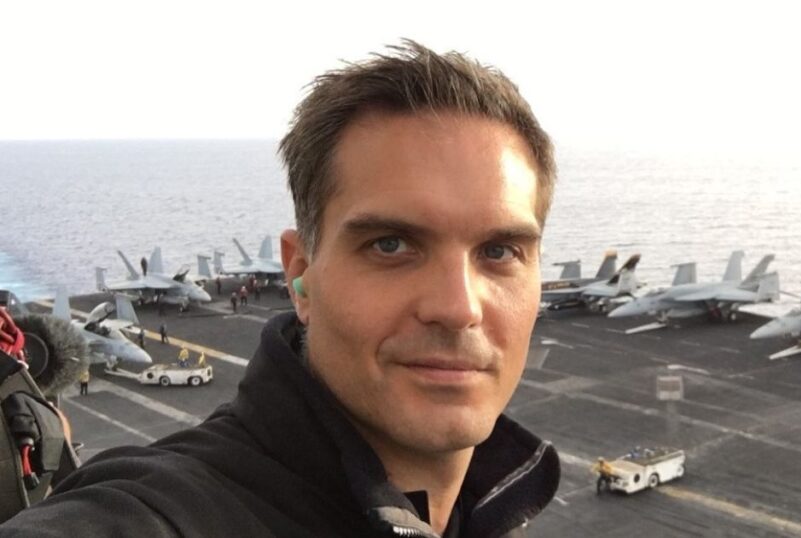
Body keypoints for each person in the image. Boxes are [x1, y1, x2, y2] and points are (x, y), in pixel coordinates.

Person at [1, 40, 559, 537]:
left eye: (500, 251)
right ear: (301, 277)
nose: (458, 308)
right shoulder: (153, 516)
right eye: (390, 245)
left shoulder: (495, 506)